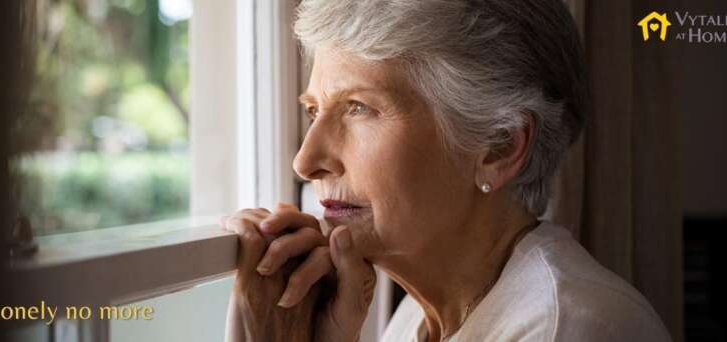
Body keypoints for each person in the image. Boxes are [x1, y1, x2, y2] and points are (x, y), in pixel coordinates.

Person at [222, 0, 672, 341]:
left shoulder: (565, 329)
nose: (305, 161)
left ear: (499, 147)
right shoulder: (417, 318)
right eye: (314, 109)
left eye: (358, 107)